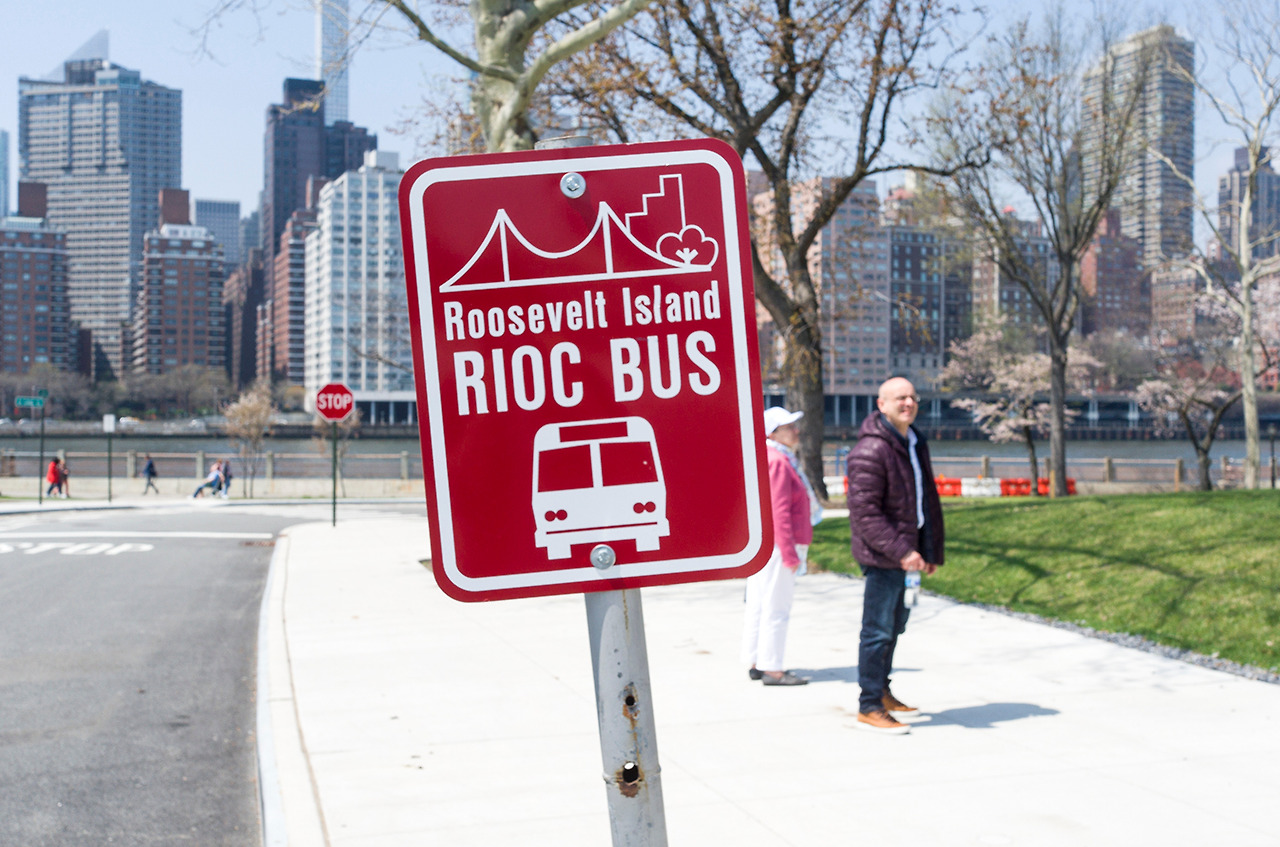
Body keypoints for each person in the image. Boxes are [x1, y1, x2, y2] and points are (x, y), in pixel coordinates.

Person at [846, 376, 944, 734]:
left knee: (895, 627)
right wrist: (902, 551)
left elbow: (924, 501)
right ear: (881, 404)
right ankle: (869, 705)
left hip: (909, 555)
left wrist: (928, 551)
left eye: (913, 397)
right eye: (900, 398)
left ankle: (882, 691)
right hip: (883, 556)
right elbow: (865, 514)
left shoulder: (914, 441)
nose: (908, 403)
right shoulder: (871, 450)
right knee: (877, 631)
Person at [742, 406, 822, 686]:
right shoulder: (777, 461)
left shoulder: (772, 457)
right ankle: (772, 668)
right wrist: (790, 553)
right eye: (789, 427)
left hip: (769, 544)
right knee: (777, 607)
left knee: (759, 603)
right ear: (773, 433)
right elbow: (779, 511)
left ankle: (756, 660)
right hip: (779, 545)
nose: (795, 431)